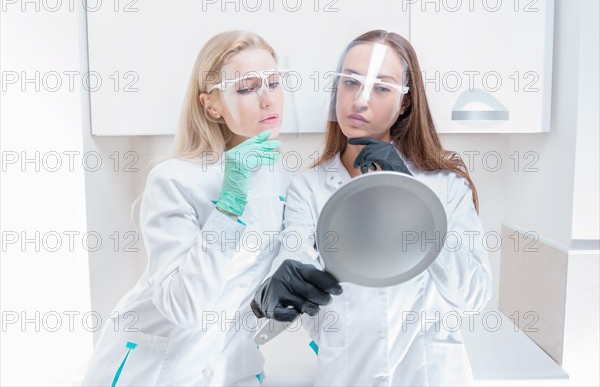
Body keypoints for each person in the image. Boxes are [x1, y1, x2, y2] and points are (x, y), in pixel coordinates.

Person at [251, 30, 493, 386]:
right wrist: (272, 293)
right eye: (350, 82)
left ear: (405, 103)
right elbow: (295, 255)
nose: (359, 101)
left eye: (381, 87)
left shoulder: (443, 186)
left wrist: (412, 200)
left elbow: (472, 297)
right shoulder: (309, 188)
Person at [82, 30, 293, 386]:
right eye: (246, 88)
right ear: (211, 105)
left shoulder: (282, 179)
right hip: (155, 370)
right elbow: (184, 307)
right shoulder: (174, 180)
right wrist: (228, 207)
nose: (268, 100)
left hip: (234, 367)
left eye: (274, 83)